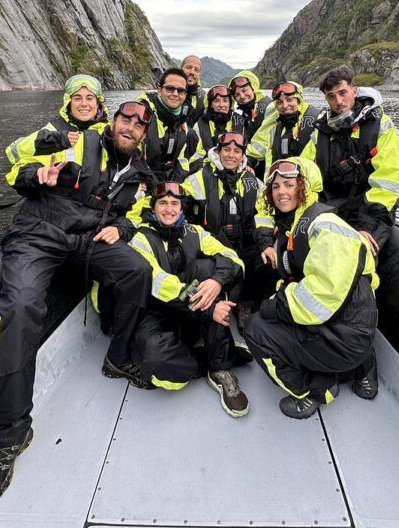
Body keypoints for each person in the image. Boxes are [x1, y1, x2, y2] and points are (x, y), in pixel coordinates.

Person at [0, 101, 157, 502]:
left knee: (136, 272)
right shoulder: (75, 144)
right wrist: (36, 175)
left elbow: (138, 211)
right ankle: (9, 433)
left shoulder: (138, 174)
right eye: (125, 119)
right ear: (112, 122)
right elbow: (15, 168)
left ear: (144, 134)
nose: (130, 127)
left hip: (87, 241)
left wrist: (123, 227)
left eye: (139, 124)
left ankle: (118, 357)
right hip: (39, 234)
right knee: (21, 306)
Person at [244, 157, 379, 419]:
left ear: (304, 187)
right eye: (275, 187)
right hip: (353, 328)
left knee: (256, 328)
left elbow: (319, 299)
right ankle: (364, 368)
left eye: (289, 184)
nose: (281, 192)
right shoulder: (302, 223)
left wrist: (275, 305)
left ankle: (317, 390)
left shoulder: (324, 228)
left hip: (346, 338)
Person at [128, 182, 250, 417]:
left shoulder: (195, 232)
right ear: (153, 207)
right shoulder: (141, 239)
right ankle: (216, 356)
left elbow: (233, 259)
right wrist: (207, 308)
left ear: (182, 210)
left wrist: (216, 282)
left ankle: (220, 368)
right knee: (156, 363)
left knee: (209, 269)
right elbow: (158, 283)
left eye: (175, 204)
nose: (169, 209)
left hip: (191, 311)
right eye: (162, 203)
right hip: (155, 312)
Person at [301, 66, 399, 257]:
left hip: (368, 209)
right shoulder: (321, 131)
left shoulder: (382, 127)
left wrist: (364, 225)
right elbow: (305, 169)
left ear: (354, 91)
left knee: (354, 256)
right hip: (331, 204)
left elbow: (386, 185)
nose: (338, 101)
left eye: (343, 93)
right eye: (331, 96)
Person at [182, 131, 272, 331]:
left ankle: (245, 303)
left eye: (237, 151)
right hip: (213, 246)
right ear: (218, 151)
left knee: (267, 260)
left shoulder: (253, 183)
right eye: (226, 150)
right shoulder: (198, 179)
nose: (231, 155)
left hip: (243, 245)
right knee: (202, 267)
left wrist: (266, 245)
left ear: (242, 155)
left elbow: (264, 216)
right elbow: (180, 213)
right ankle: (204, 311)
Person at [3, 74, 108, 170]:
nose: (84, 104)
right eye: (77, 98)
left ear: (98, 103)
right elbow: (13, 153)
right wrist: (55, 140)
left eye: (89, 98)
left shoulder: (111, 131)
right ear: (69, 102)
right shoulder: (54, 128)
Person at [137, 67, 199, 182]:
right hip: (141, 183)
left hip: (166, 183)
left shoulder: (182, 124)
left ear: (185, 94)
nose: (175, 94)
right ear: (159, 90)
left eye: (181, 90)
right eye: (170, 88)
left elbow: (183, 161)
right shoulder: (140, 116)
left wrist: (176, 185)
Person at [247, 80, 318, 175]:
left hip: (305, 185)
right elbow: (258, 148)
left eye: (289, 100)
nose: (285, 105)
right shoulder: (274, 125)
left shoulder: (317, 123)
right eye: (280, 102)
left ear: (298, 100)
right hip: (276, 184)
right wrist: (247, 162)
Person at [191, 84, 241, 162]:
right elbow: (195, 156)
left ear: (230, 103)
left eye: (225, 100)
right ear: (210, 104)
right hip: (207, 168)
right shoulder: (200, 125)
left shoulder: (240, 122)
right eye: (216, 101)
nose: (221, 105)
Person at [228, 70, 270, 138]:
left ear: (253, 88)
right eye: (237, 95)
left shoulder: (269, 107)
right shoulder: (245, 114)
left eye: (244, 90)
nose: (242, 96)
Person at [181, 54, 206, 126]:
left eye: (196, 70)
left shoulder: (205, 99)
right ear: (181, 69)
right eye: (188, 67)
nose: (192, 72)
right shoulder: (168, 91)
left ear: (199, 75)